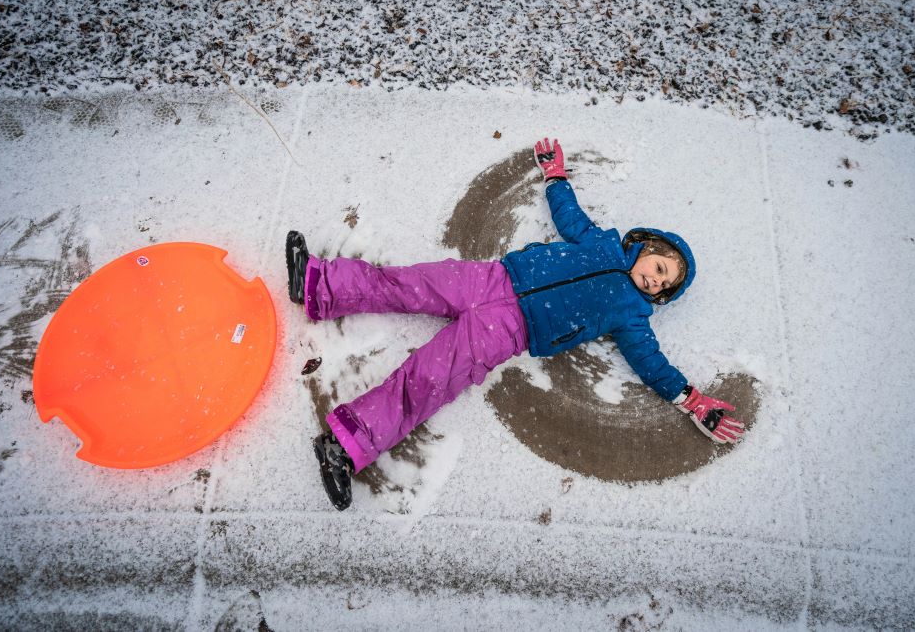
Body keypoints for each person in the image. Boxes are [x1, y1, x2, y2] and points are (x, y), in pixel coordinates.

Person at [287, 138, 744, 511]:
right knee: (408, 282)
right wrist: (556, 177)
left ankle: (346, 449)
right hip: (493, 278)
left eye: (663, 283)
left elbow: (651, 363)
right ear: (646, 245)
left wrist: (692, 400)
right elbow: (571, 216)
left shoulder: (632, 314)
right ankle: (318, 284)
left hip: (509, 330)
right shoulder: (602, 243)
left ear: (659, 297)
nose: (654, 276)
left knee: (428, 379)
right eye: (659, 265)